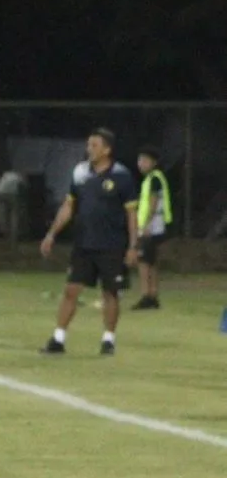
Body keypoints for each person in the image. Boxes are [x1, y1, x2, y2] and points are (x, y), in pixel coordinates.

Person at [39, 128, 138, 356]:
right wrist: (52, 234)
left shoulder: (122, 176)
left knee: (110, 293)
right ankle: (58, 339)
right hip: (84, 244)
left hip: (113, 245)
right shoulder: (80, 172)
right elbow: (69, 205)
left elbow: (131, 213)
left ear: (107, 150)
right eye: (88, 145)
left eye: (94, 145)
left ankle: (108, 340)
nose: (89, 149)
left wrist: (133, 245)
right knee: (71, 290)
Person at [132, 145, 172, 310]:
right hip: (158, 226)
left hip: (152, 227)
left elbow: (153, 202)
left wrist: (146, 225)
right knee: (152, 261)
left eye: (145, 160)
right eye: (139, 160)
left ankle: (146, 295)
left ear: (154, 162)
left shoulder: (154, 179)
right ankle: (153, 295)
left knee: (143, 261)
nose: (141, 164)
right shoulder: (156, 177)